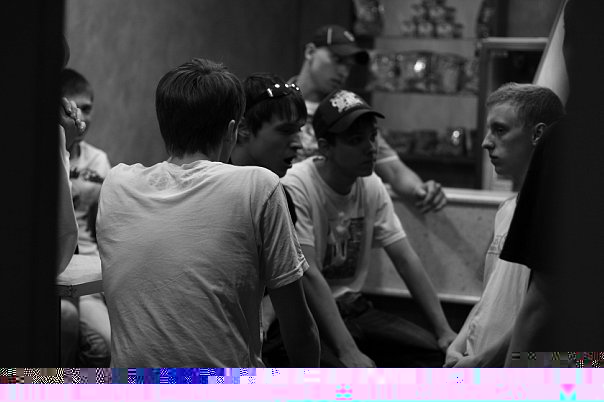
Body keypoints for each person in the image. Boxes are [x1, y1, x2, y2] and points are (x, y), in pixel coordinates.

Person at [96, 58, 319, 367]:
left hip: (128, 385)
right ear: (232, 130)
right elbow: (300, 330)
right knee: (379, 388)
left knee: (30, 380)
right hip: (220, 387)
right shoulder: (260, 186)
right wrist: (309, 387)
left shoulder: (116, 183)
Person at [282, 89, 456, 367]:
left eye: (372, 136)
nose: (370, 148)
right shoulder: (296, 185)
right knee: (346, 380)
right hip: (310, 313)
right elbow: (308, 273)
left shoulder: (370, 183)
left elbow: (405, 258)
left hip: (355, 307)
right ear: (325, 147)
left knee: (439, 356)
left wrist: (444, 331)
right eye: (355, 140)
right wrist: (348, 351)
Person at [502, 0, 604, 359]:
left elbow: (544, 300)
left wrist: (508, 383)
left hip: (581, 361)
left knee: (350, 386)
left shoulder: (572, 141)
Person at [444, 83, 564, 368]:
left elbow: (544, 310)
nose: (486, 142)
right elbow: (490, 297)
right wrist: (458, 344)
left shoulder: (561, 217)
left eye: (500, 130)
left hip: (518, 370)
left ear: (538, 135)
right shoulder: (506, 210)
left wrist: (485, 362)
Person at [292, 24, 446, 214]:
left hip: (330, 219)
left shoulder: (346, 114)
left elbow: (394, 170)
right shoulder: (277, 104)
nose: (343, 72)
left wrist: (421, 190)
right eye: (337, 60)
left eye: (348, 66)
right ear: (310, 52)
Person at [60, 68, 112, 367]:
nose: (83, 116)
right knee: (64, 325)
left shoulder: (97, 160)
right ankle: (44, 386)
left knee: (106, 343)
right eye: (75, 107)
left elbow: (107, 225)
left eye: (88, 108)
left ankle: (80, 388)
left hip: (88, 269)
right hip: (53, 270)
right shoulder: (39, 153)